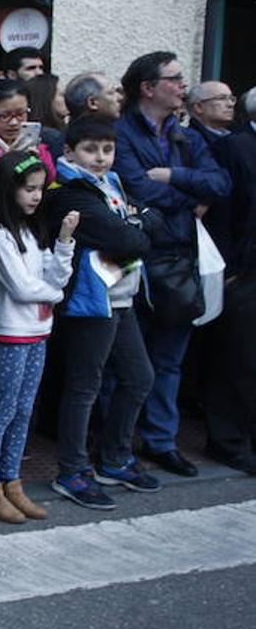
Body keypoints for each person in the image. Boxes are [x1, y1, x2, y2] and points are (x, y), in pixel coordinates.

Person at [112, 51, 230, 478]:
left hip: (179, 258)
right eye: (176, 79)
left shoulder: (187, 137)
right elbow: (134, 189)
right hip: (135, 257)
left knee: (169, 359)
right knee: (124, 363)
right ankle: (117, 445)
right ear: (148, 87)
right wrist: (187, 197)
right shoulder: (120, 133)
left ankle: (161, 441)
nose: (184, 85)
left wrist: (175, 177)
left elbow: (220, 184)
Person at [42, 116, 158, 509]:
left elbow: (138, 227)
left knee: (139, 378)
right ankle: (72, 471)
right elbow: (127, 237)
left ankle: (115, 458)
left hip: (119, 297)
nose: (101, 158)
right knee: (84, 386)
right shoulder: (69, 191)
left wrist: (135, 225)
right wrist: (137, 224)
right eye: (91, 149)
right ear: (70, 151)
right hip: (90, 303)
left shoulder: (110, 182)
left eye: (107, 149)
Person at [0, 151, 77, 523]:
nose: (35, 196)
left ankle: (11, 481)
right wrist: (55, 294)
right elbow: (22, 287)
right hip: (8, 332)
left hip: (38, 330)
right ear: (7, 189)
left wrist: (65, 241)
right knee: (2, 409)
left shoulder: (34, 231)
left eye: (39, 189)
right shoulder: (0, 234)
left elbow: (53, 277)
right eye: (27, 189)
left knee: (23, 410)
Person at [201, 89, 256, 474]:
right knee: (236, 361)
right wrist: (230, 269)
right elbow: (223, 212)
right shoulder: (235, 148)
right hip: (242, 271)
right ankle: (227, 441)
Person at [186, 81, 236, 146]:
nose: (230, 104)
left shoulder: (237, 137)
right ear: (199, 107)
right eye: (221, 98)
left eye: (232, 99)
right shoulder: (189, 142)